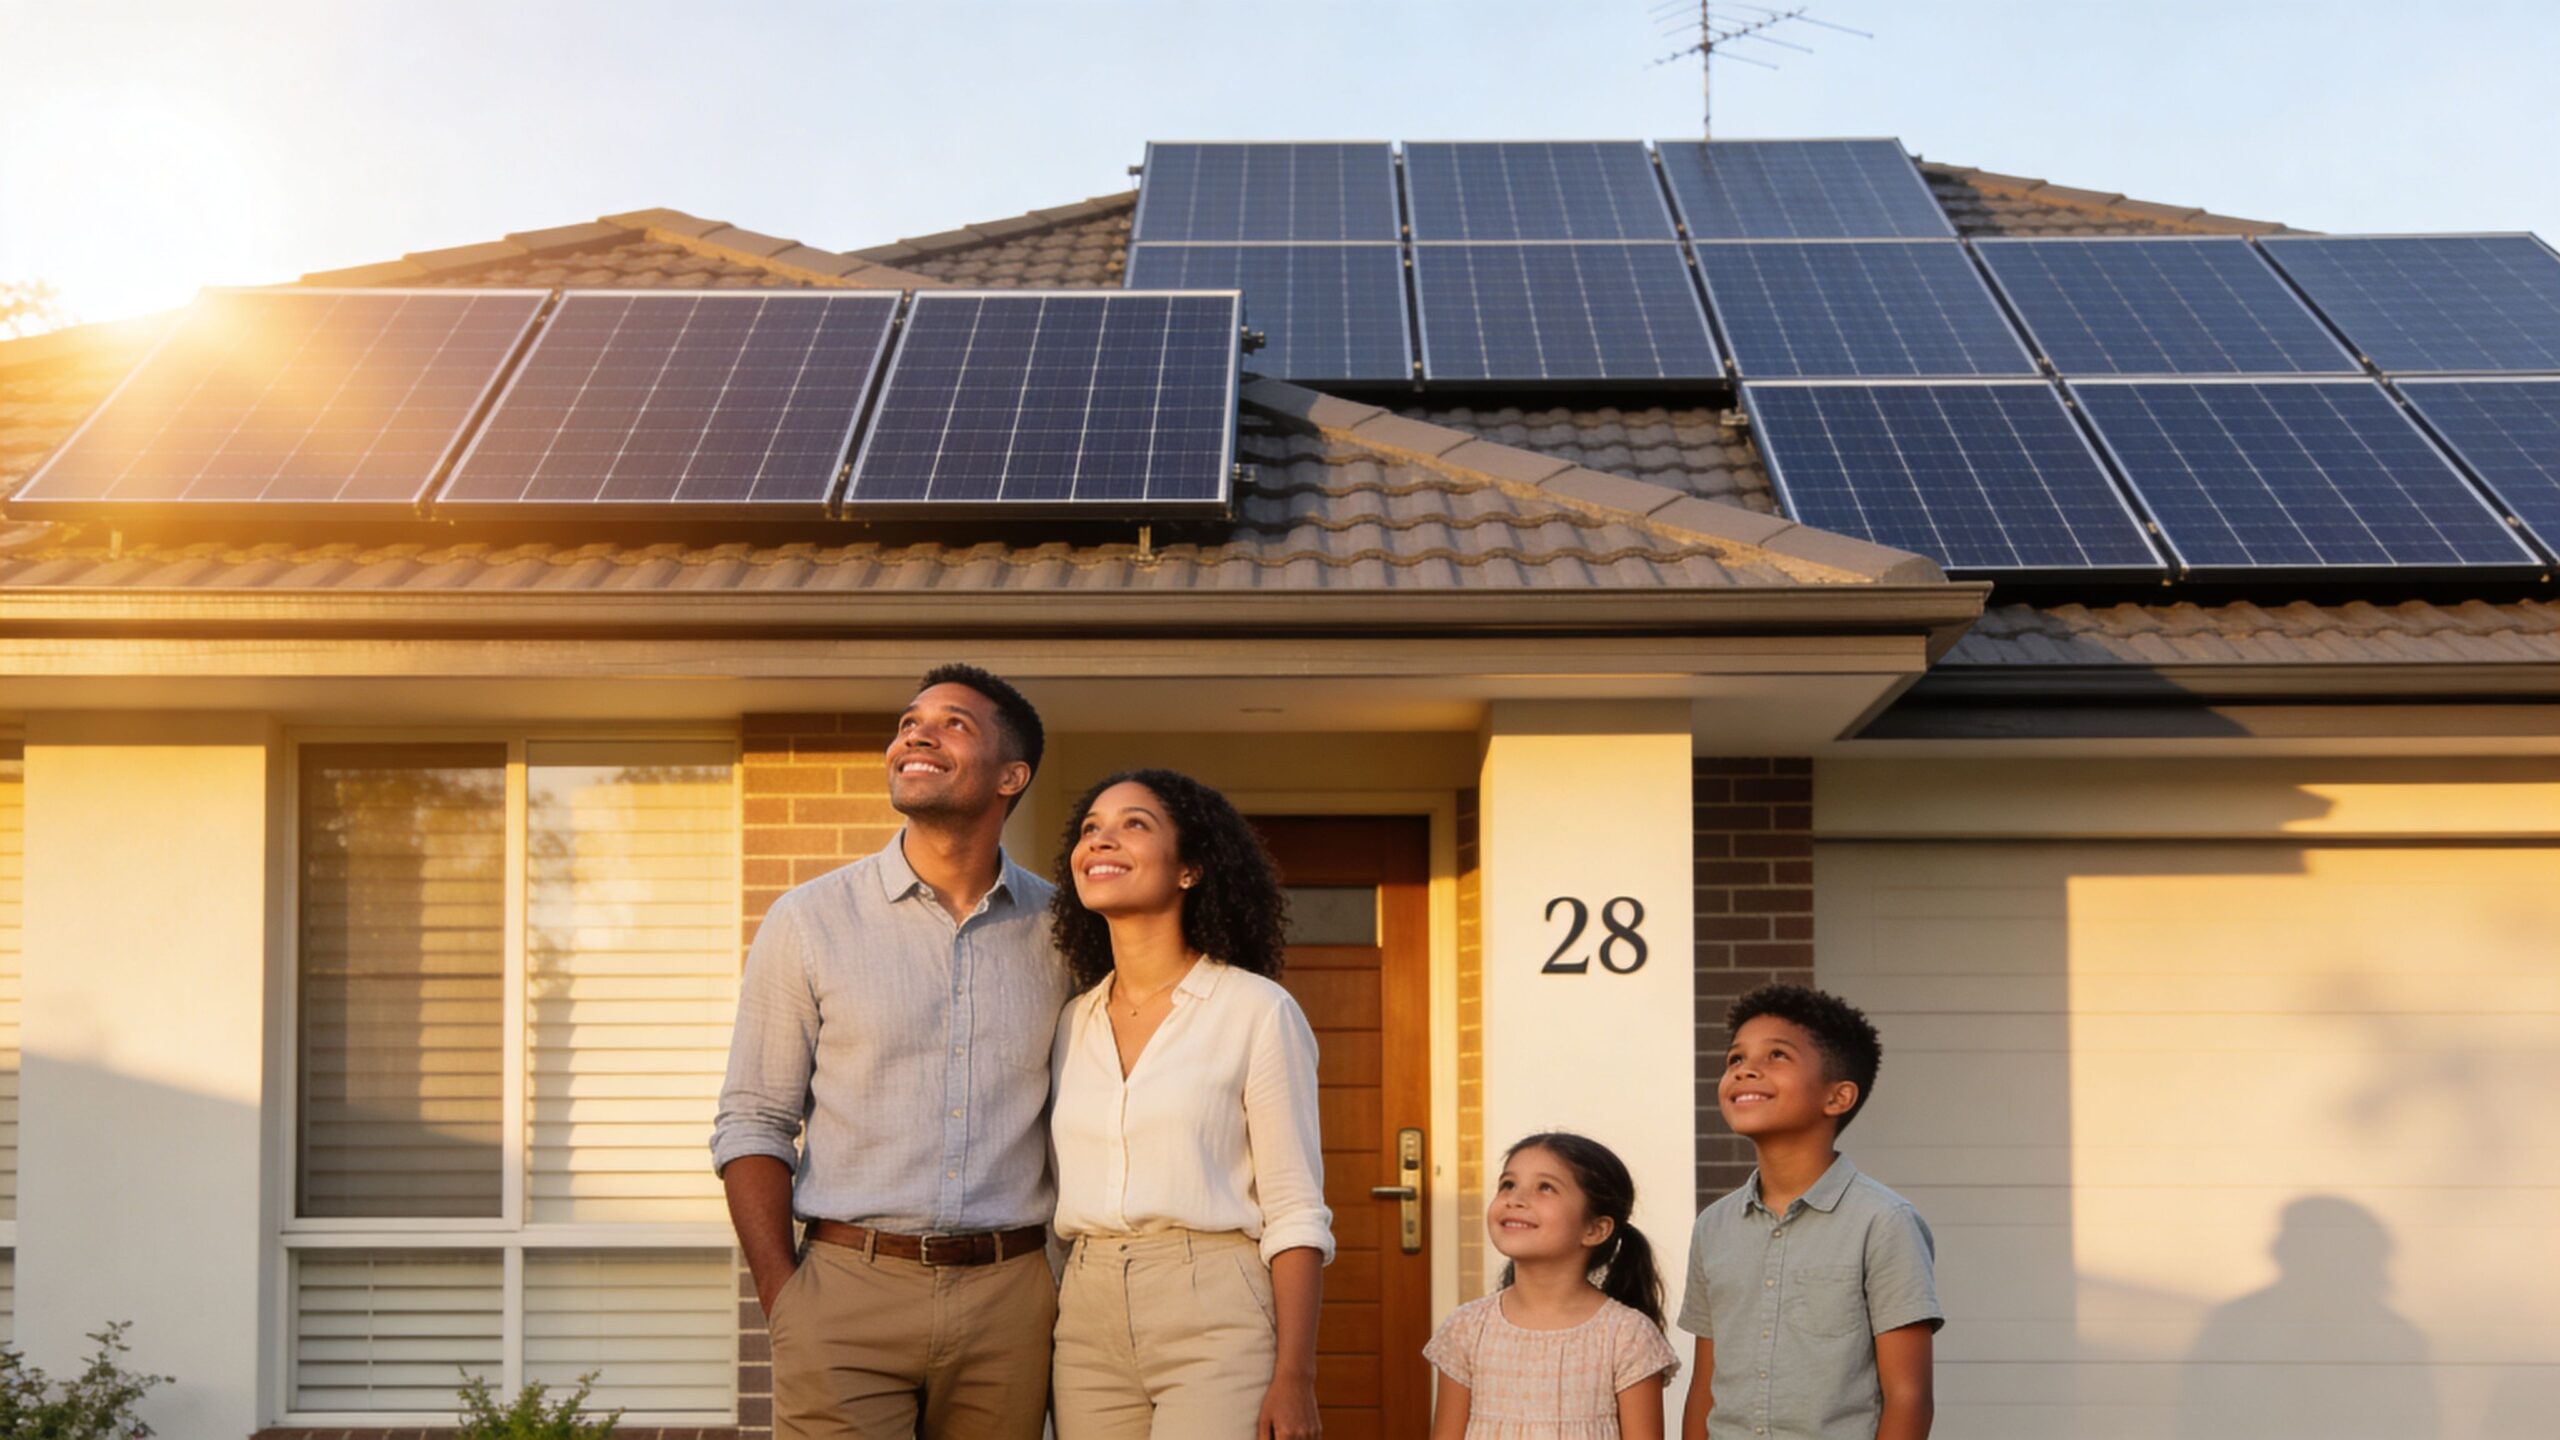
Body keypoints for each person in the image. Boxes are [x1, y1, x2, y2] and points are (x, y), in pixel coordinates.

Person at [710, 665, 1069, 1440]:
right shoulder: (808, 920)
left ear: (1013, 776)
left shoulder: (1066, 931)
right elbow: (753, 1122)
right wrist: (786, 1299)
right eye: (910, 721)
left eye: (953, 725)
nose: (916, 734)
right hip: (844, 1293)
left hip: (1012, 1301)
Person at [1046, 768, 1332, 1440]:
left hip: (1214, 1301)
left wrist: (1296, 1374)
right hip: (1086, 1310)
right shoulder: (1070, 1023)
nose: (1101, 841)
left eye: (1133, 825)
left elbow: (1294, 1210)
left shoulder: (1256, 1012)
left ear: (1190, 870)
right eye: (1091, 829)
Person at [1677, 985, 1940, 1440]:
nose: (1745, 1071)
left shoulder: (1884, 1222)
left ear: (1837, 1097)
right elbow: (1704, 1387)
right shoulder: (1713, 1227)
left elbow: (1909, 1396)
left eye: (1776, 1056)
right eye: (1735, 1059)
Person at [1425, 1132, 1680, 1440]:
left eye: (1545, 1187)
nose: (1514, 1199)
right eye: (1508, 1184)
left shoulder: (1627, 1336)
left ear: (1595, 1228)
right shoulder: (1467, 1329)